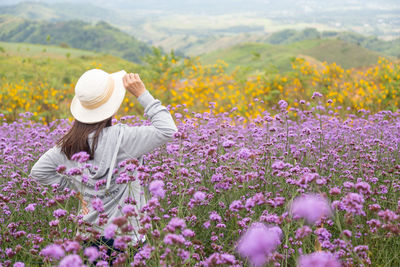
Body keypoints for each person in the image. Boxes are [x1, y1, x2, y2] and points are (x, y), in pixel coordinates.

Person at [30, 69, 178, 264]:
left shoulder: (67, 146)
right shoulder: (125, 139)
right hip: (128, 238)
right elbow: (168, 130)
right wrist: (143, 94)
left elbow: (37, 173)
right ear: (112, 107)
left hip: (87, 238)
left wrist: (79, 189)